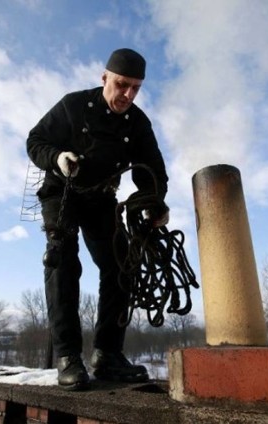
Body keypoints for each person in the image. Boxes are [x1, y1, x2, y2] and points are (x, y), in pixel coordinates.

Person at [26, 48, 169, 391]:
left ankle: (107, 354)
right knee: (63, 262)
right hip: (62, 192)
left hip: (102, 199)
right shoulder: (73, 105)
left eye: (136, 88)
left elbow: (153, 170)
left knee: (122, 264)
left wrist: (153, 202)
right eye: (122, 85)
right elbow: (35, 141)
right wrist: (57, 156)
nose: (128, 95)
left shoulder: (137, 123)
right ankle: (67, 357)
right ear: (105, 78)